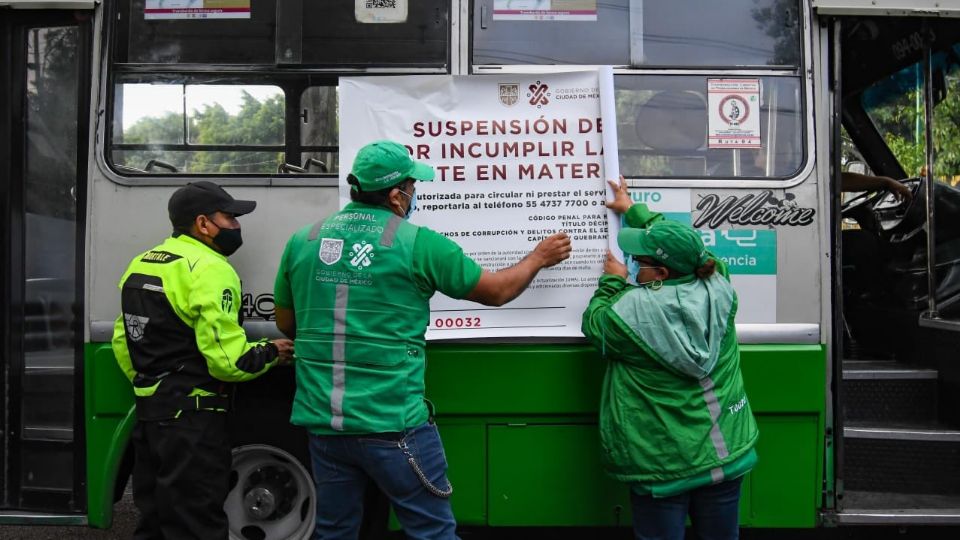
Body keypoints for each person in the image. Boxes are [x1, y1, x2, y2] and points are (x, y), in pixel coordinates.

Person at [273, 140, 572, 539]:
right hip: (392, 423)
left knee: (335, 531)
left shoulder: (303, 240)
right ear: (396, 196)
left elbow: (287, 323)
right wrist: (538, 257)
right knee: (431, 531)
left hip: (325, 425)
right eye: (413, 187)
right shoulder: (417, 244)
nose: (415, 195)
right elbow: (497, 291)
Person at [111, 181, 294, 540]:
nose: (236, 225)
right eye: (229, 217)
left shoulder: (143, 262)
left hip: (151, 416)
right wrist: (273, 352)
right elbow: (228, 362)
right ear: (203, 224)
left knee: (155, 519)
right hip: (194, 423)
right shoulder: (212, 269)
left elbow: (123, 340)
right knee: (197, 522)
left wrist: (157, 385)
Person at [581, 177, 759, 540]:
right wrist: (636, 212)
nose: (631, 264)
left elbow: (594, 324)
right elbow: (692, 250)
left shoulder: (627, 312)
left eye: (636, 261)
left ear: (660, 274)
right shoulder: (719, 285)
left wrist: (612, 282)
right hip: (725, 454)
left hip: (663, 465)